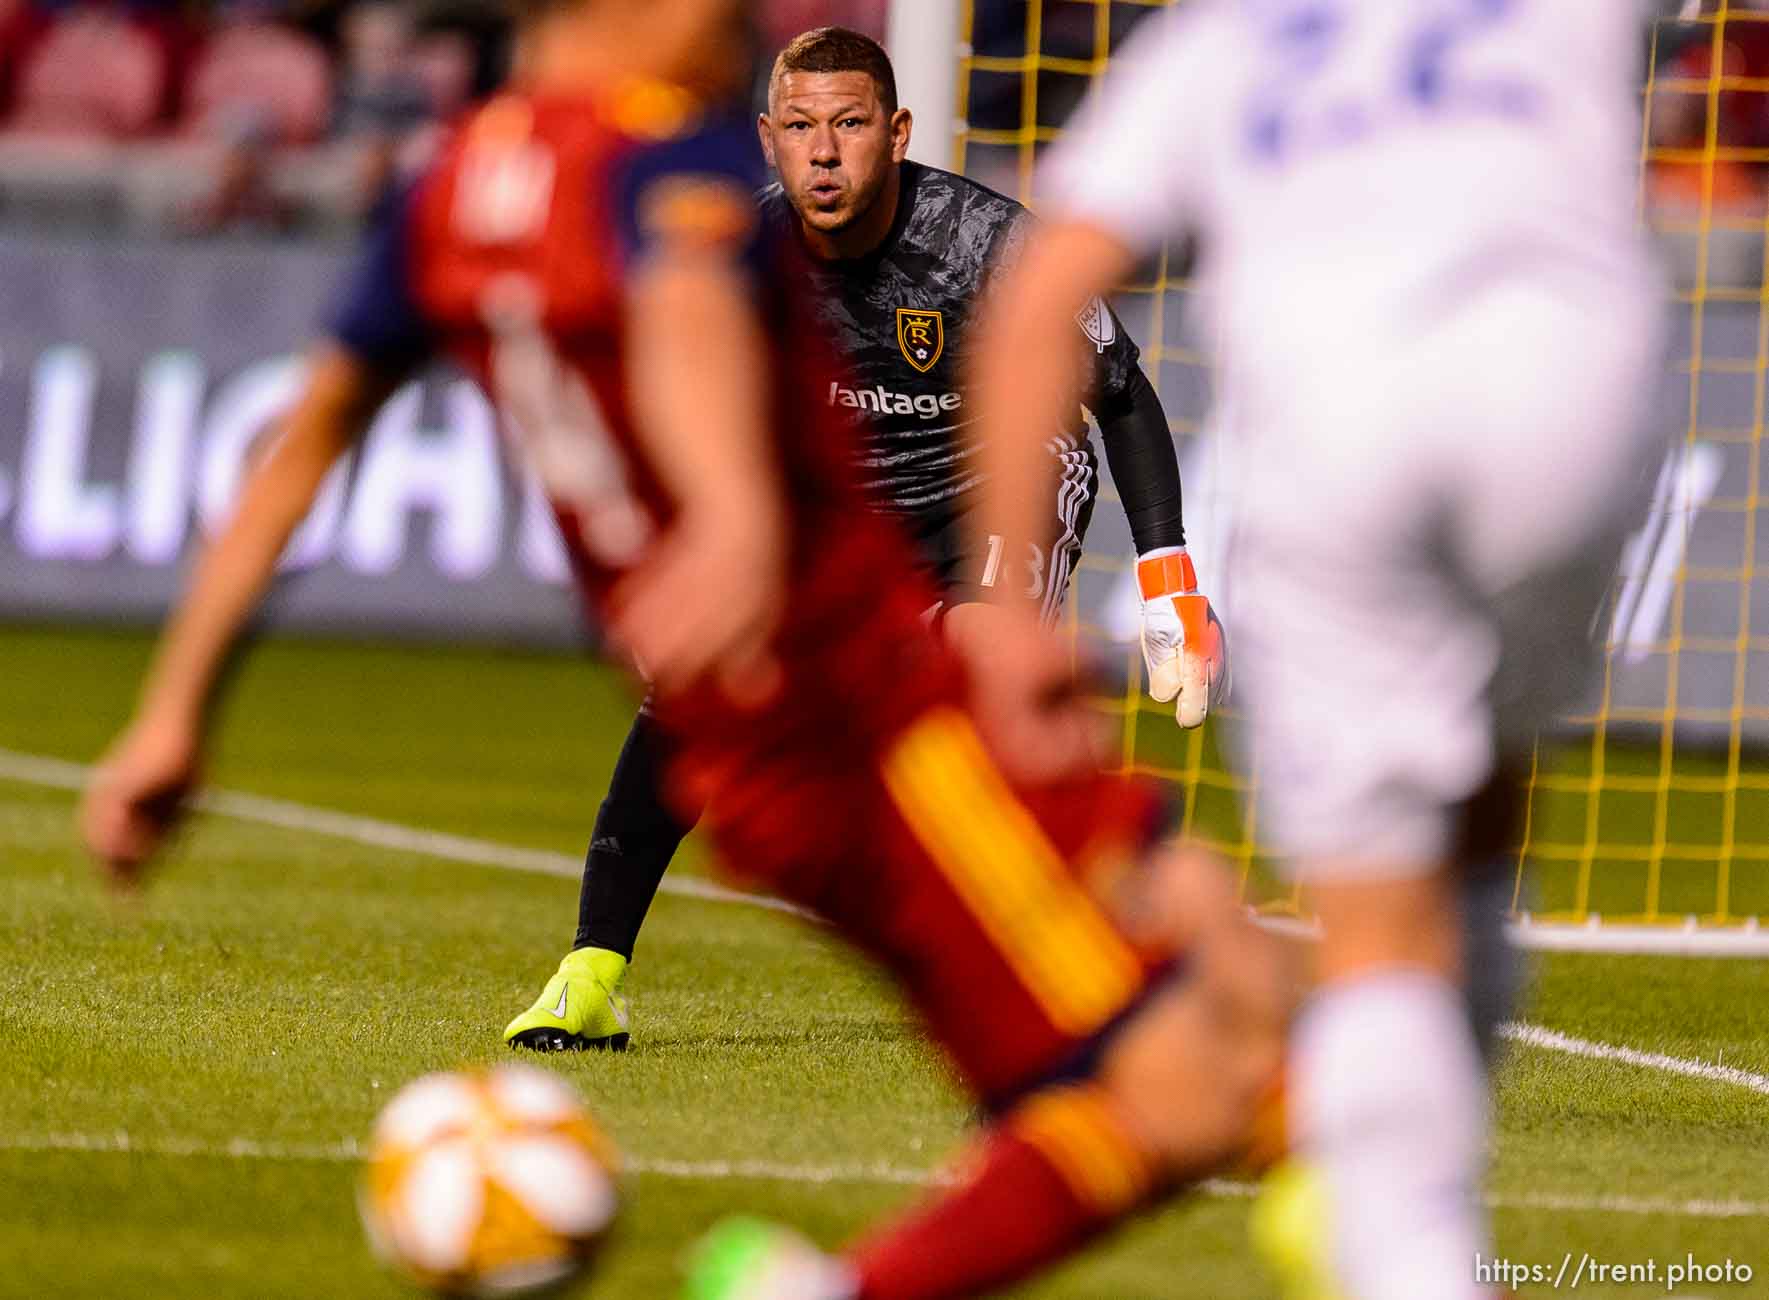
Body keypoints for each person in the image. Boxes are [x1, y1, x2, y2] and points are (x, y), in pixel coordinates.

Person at [80, 1, 1280, 1297]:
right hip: (865, 717)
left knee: (1241, 974)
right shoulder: (669, 162)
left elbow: (303, 441)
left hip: (771, 731)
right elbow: (686, 306)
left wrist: (172, 710)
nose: (738, 26)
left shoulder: (443, 193)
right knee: (1193, 1077)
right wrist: (737, 513)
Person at [970, 4, 1662, 1299]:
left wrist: (1012, 614)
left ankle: (1406, 1247)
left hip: (1346, 414)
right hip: (1579, 382)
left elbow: (1042, 292)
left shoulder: (1212, 46)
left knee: (1375, 916)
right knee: (1480, 809)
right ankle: (1415, 1205)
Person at [502, 24, 1224, 1055]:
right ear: (766, 137)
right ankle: (590, 973)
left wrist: (1166, 573)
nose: (824, 153)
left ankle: (1109, 937)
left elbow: (1119, 392)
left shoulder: (984, 241)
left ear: (897, 132)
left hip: (989, 495)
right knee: (697, 684)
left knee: (979, 675)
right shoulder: (735, 258)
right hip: (841, 513)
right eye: (799, 128)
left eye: (847, 126)